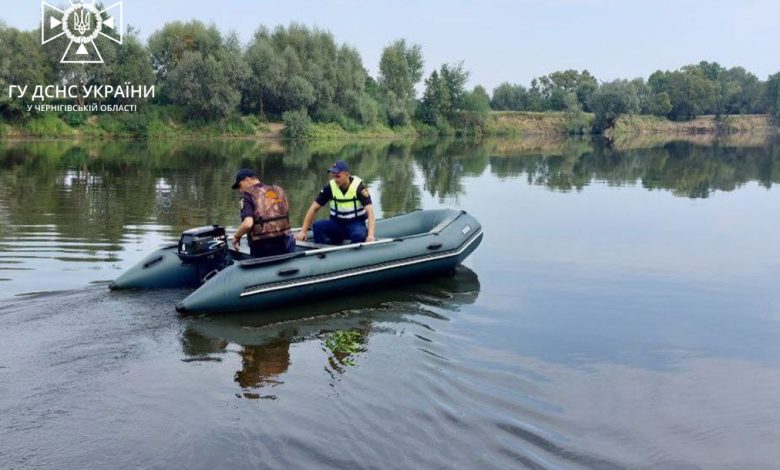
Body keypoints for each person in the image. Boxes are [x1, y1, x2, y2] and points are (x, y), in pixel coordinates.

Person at [294, 160, 376, 245]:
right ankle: (321, 252)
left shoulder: (359, 188)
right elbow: (314, 208)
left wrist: (370, 235)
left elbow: (370, 211)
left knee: (359, 236)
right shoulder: (330, 187)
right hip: (337, 224)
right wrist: (303, 231)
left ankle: (351, 254)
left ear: (347, 174)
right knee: (317, 226)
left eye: (338, 176)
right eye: (333, 176)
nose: (335, 179)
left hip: (355, 224)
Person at [230, 169, 294, 258]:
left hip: (263, 246)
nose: (240, 190)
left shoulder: (248, 196)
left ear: (248, 180)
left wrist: (237, 236)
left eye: (240, 186)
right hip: (284, 243)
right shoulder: (278, 191)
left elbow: (248, 224)